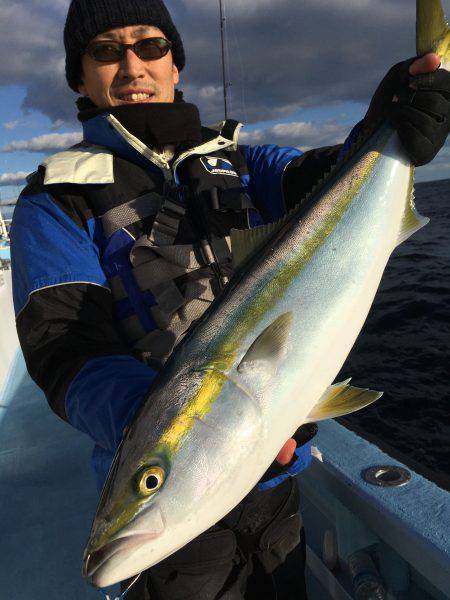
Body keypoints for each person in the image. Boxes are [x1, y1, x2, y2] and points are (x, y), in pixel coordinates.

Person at [10, 0, 450, 598]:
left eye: (150, 46)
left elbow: (331, 176)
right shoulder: (53, 201)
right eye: (106, 51)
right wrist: (176, 431)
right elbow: (64, 349)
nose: (133, 66)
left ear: (176, 66)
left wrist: (393, 117)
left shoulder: (245, 163)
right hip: (182, 521)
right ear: (78, 76)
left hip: (273, 485)